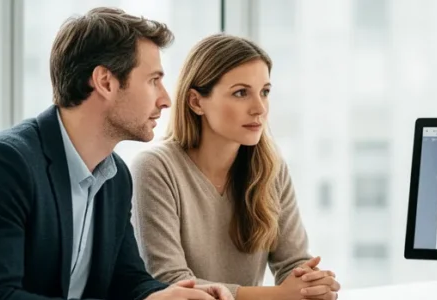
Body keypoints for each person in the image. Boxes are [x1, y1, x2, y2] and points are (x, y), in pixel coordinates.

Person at [0, 7, 231, 300]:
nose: (165, 100)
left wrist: (161, 295)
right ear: (105, 82)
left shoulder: (114, 176)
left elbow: (128, 279)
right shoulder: (1, 166)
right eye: (153, 81)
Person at [129, 33, 340, 300]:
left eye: (265, 92)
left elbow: (292, 263)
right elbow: (171, 282)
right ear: (196, 102)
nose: (259, 108)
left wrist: (313, 285)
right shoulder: (154, 168)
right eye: (241, 93)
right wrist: (279, 295)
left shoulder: (271, 168)